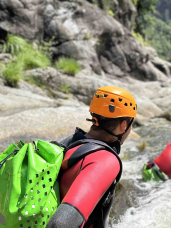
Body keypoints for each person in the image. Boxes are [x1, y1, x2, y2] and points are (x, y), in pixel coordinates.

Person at [47, 86, 137, 228]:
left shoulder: (70, 142)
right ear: (124, 125)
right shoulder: (104, 160)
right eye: (131, 124)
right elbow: (59, 224)